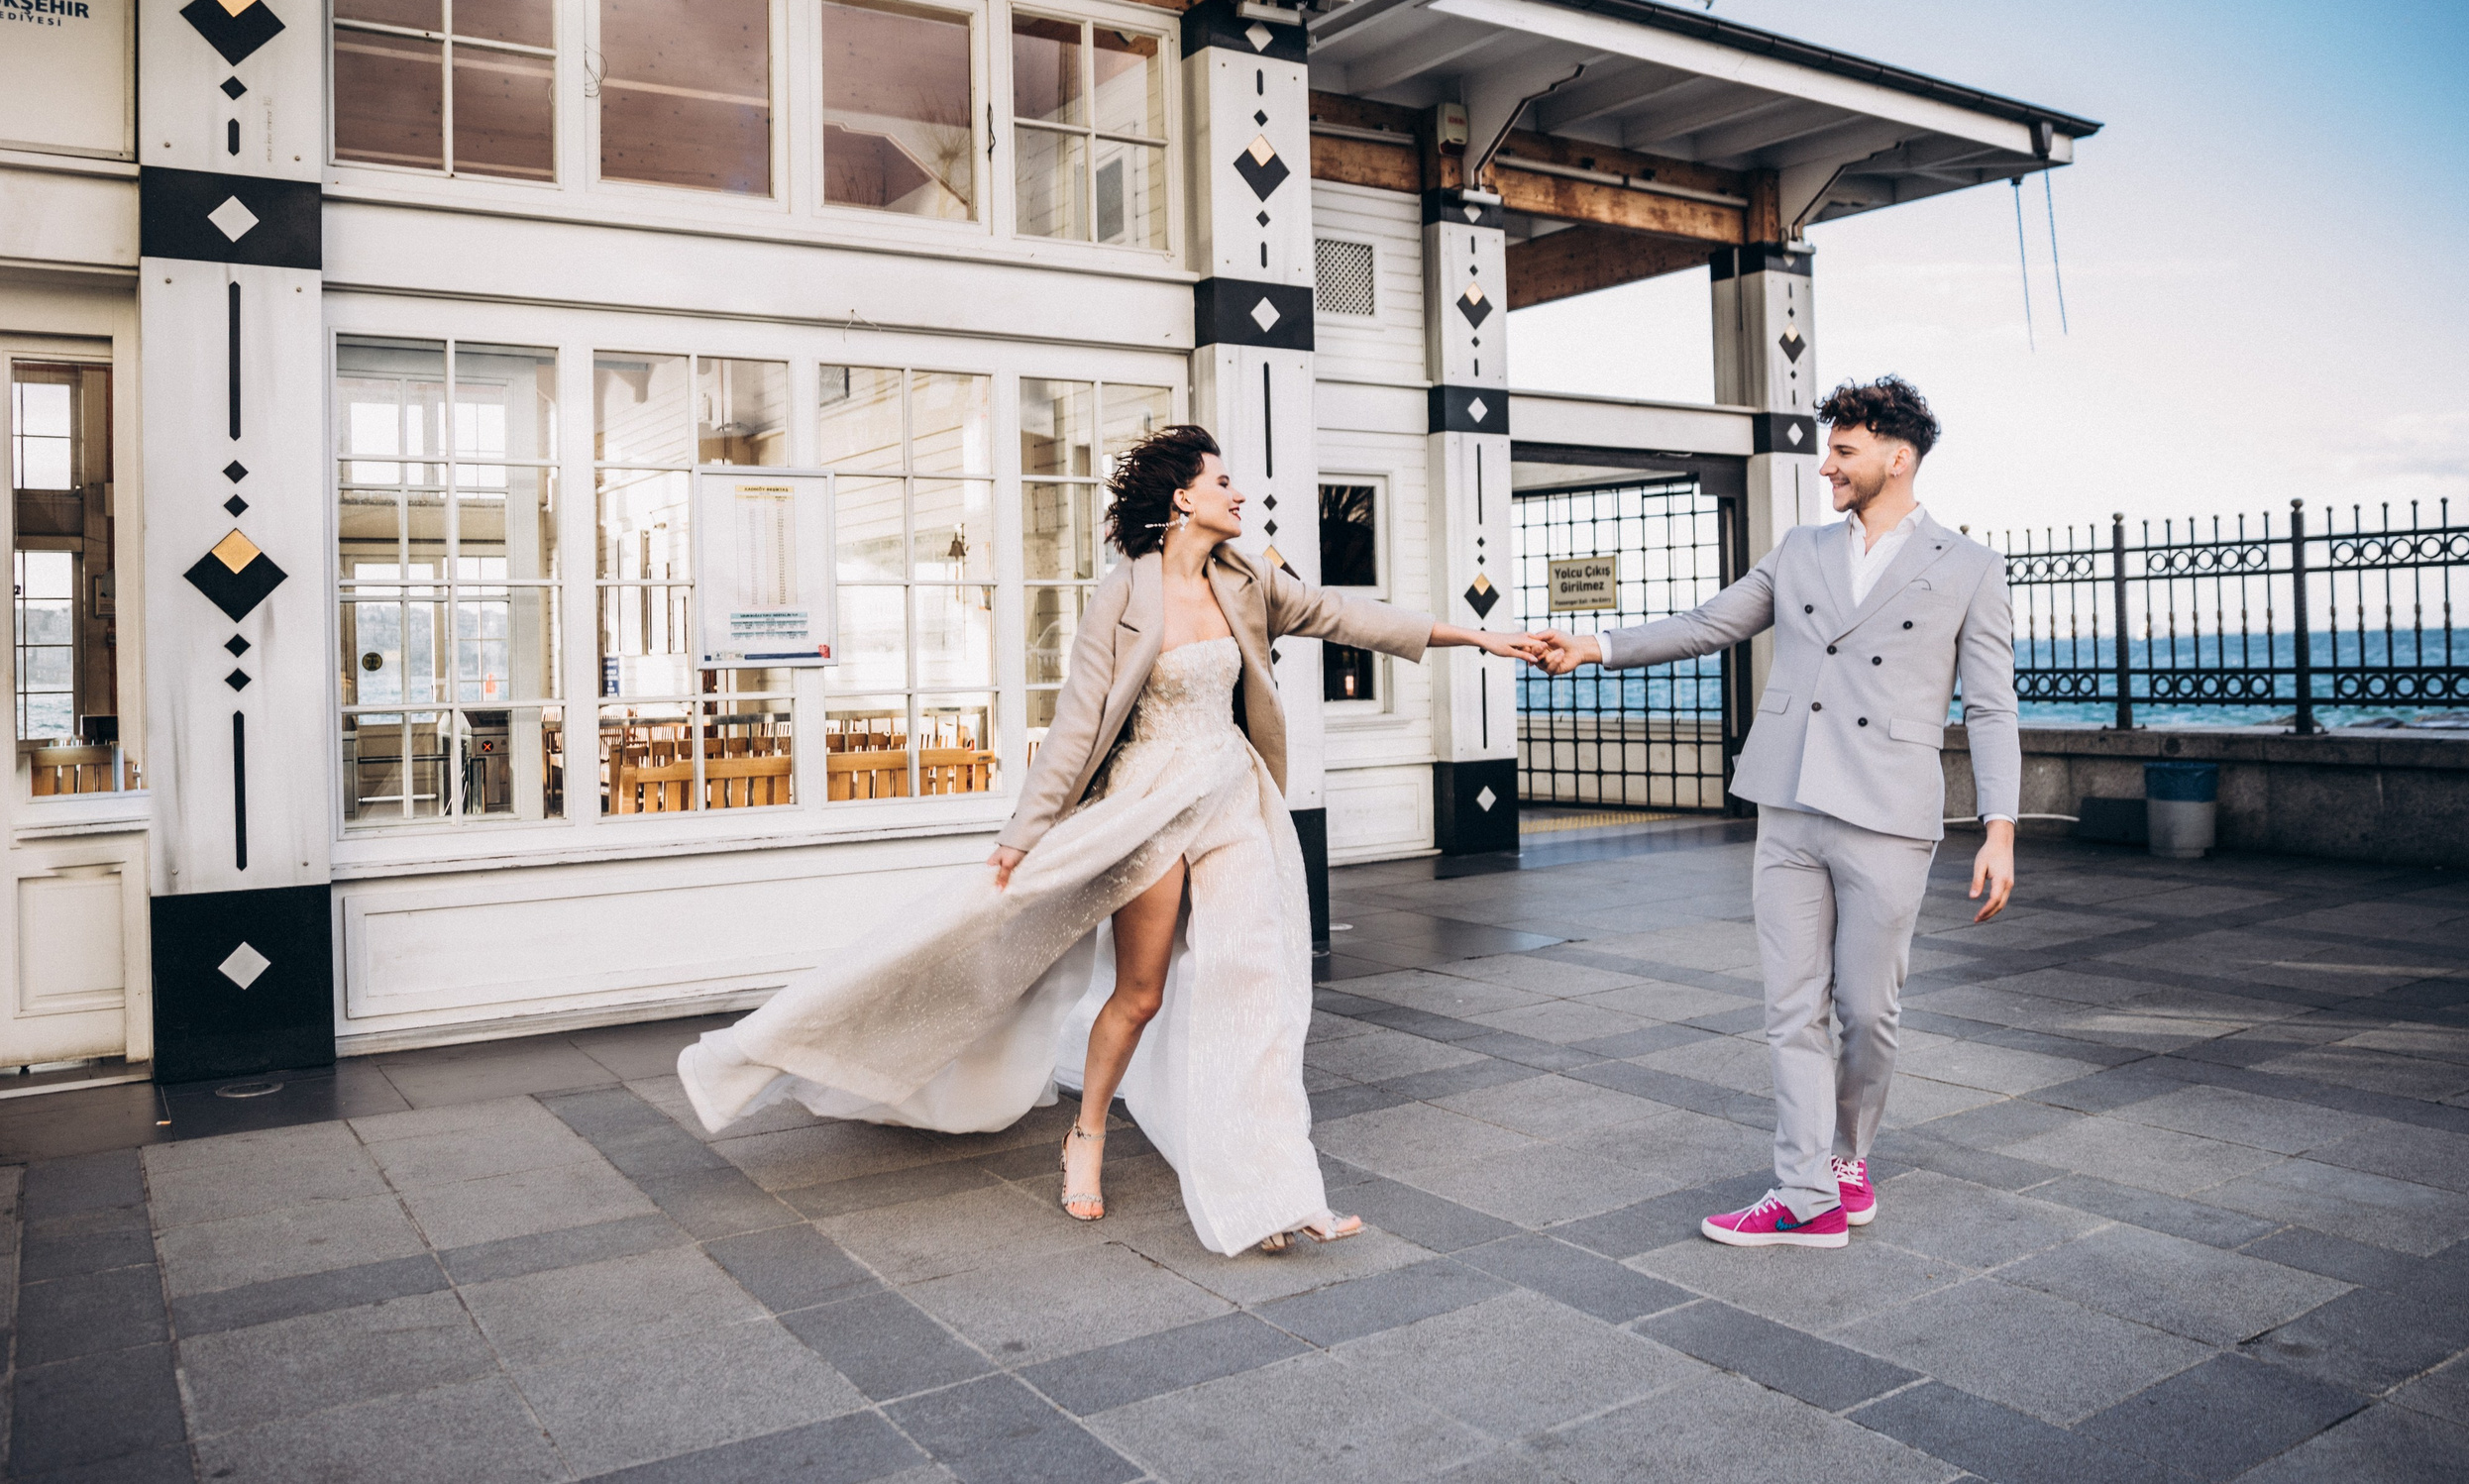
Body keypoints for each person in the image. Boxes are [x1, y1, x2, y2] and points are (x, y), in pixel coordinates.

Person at [679, 424, 1539, 1256]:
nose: (1238, 493)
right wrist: (1024, 835)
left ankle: (1274, 1188)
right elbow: (1076, 727)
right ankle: (1085, 1133)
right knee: (1142, 994)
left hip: (1234, 794)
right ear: (1182, 497)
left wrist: (1479, 636)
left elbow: (1347, 617)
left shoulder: (1246, 578)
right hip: (1150, 804)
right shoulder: (1123, 594)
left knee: (1258, 984)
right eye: (1223, 480)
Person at [1529, 375, 2018, 1248]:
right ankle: (1804, 1191)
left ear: (1896, 457)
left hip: (1890, 813)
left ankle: (1846, 1156)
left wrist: (2001, 828)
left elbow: (1990, 706)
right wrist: (1596, 646)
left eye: (1843, 449)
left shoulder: (1970, 568)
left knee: (1870, 1013)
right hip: (1789, 802)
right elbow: (1707, 624)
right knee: (1793, 1008)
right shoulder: (1799, 550)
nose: (1825, 464)